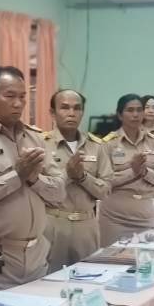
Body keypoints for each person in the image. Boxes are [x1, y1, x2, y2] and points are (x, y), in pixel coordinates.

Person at [0, 66, 66, 297]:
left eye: (23, 97)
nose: (18, 104)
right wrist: (17, 176)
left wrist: (34, 179)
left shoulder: (36, 137)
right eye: (10, 96)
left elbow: (59, 192)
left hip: (37, 255)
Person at [44, 89, 111, 268]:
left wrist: (82, 177)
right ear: (52, 113)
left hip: (86, 226)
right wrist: (67, 175)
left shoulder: (97, 146)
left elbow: (105, 191)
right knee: (50, 279)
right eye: (65, 108)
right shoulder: (41, 144)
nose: (71, 113)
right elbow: (40, 189)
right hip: (54, 224)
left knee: (88, 276)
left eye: (77, 108)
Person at [99, 94, 154, 247]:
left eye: (139, 110)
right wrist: (133, 172)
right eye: (130, 110)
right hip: (115, 219)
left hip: (145, 217)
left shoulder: (153, 142)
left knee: (145, 259)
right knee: (114, 259)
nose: (136, 114)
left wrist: (145, 172)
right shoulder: (108, 144)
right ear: (120, 115)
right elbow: (104, 182)